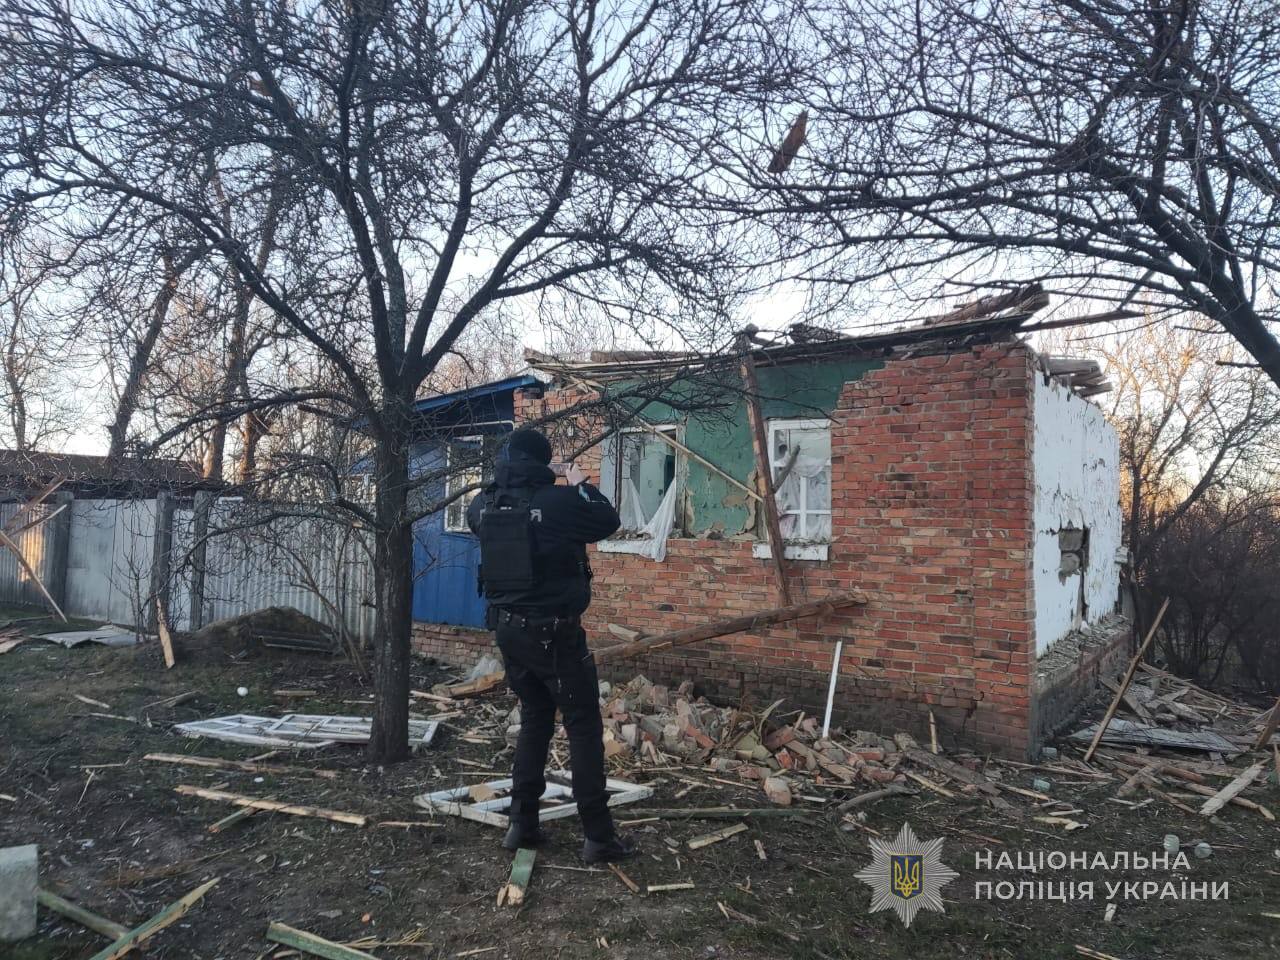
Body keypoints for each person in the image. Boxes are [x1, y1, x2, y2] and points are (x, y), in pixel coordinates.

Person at [467, 427, 636, 863]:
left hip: (508, 631)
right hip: (555, 634)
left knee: (535, 720)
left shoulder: (481, 504)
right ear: (544, 463)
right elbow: (607, 520)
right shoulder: (558, 502)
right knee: (582, 727)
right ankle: (598, 836)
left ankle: (522, 824)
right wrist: (577, 478)